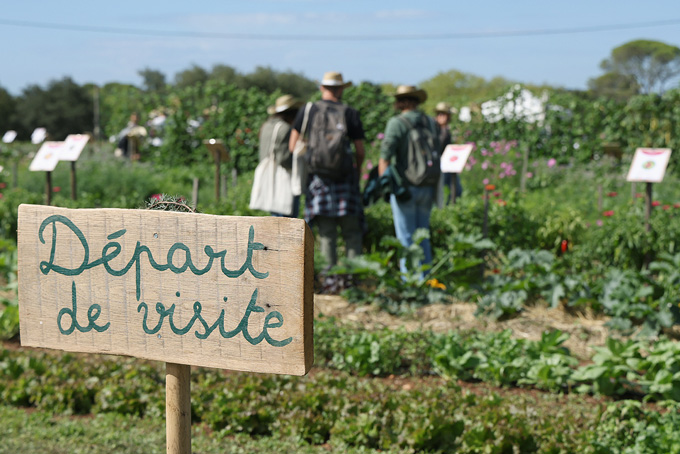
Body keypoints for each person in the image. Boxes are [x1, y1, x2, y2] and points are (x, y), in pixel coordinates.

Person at [289, 71, 365, 269]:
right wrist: (356, 172)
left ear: (322, 88)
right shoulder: (350, 112)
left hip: (318, 179)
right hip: (345, 179)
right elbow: (360, 150)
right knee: (351, 232)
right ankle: (352, 278)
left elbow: (292, 146)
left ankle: (330, 278)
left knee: (326, 233)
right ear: (341, 89)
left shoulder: (309, 110)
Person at [378, 85, 439, 275]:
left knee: (406, 238)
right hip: (428, 186)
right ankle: (426, 278)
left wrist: (384, 186)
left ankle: (411, 282)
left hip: (405, 188)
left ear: (401, 101)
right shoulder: (429, 122)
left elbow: (385, 157)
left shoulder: (397, 123)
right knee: (423, 236)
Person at [258, 94, 302, 217]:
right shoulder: (285, 128)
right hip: (283, 181)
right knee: (287, 220)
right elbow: (284, 159)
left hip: (269, 179)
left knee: (275, 219)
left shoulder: (266, 126)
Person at [435, 101, 463, 204]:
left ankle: (449, 209)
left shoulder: (444, 129)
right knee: (444, 191)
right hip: (440, 165)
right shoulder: (436, 130)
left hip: (447, 164)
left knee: (456, 190)